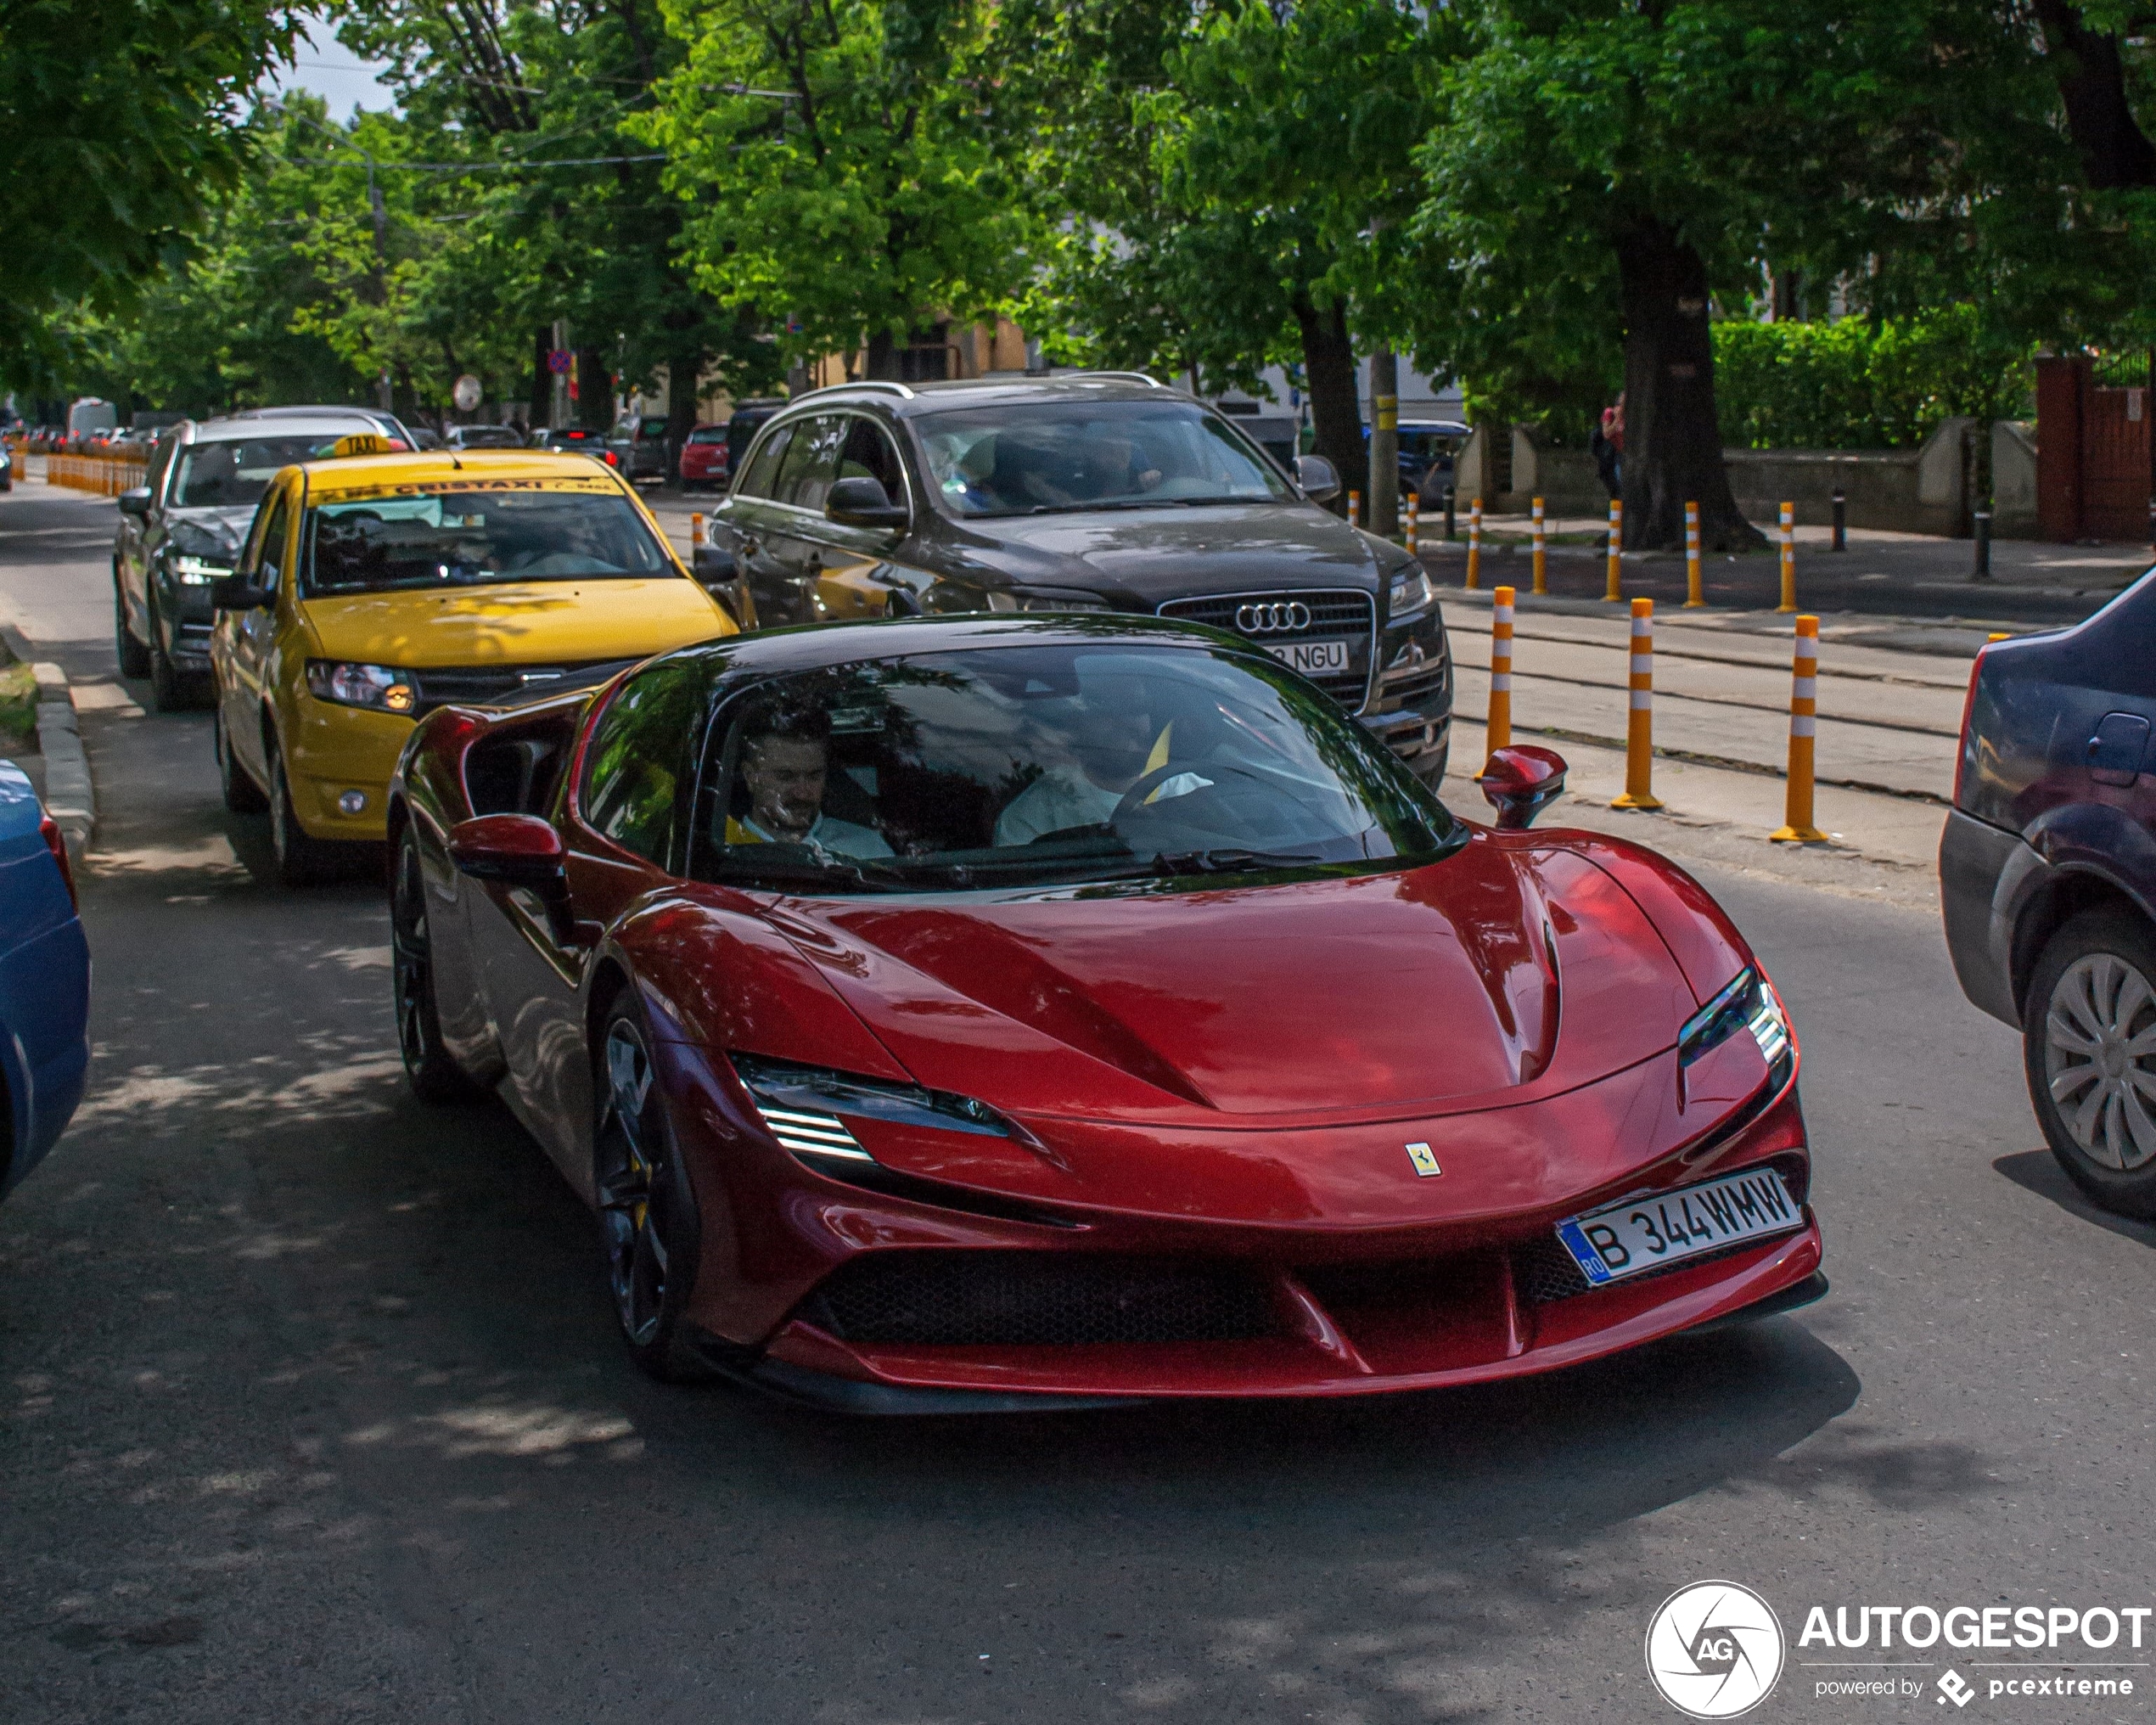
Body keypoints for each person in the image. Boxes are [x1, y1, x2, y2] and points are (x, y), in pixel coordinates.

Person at [725, 713, 892, 859]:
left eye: (814, 776)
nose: (802, 794)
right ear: (751, 776)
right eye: (786, 777)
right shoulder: (722, 848)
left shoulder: (868, 848)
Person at [1591, 393, 1625, 499]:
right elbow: (1606, 434)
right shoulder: (1610, 413)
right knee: (1619, 483)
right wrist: (1617, 419)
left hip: (1628, 455)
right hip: (1614, 455)